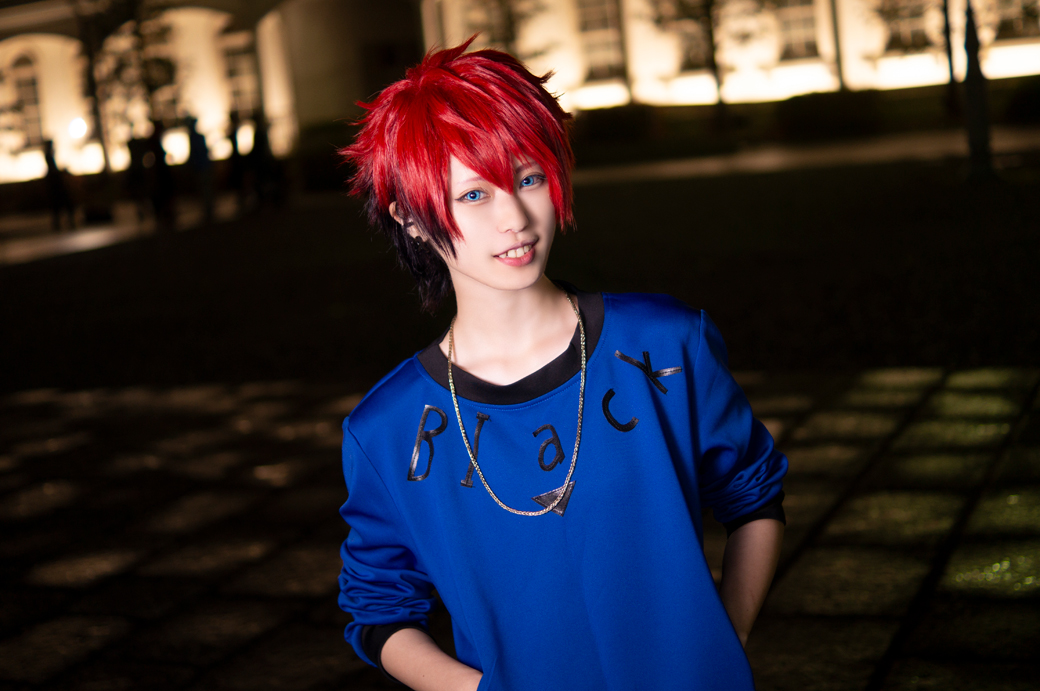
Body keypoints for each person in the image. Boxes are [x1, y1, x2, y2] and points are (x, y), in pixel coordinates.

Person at [337, 39, 787, 691]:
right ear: (410, 216)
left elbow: (753, 494)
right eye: (474, 195)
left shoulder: (666, 343)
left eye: (528, 179)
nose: (515, 218)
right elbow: (379, 611)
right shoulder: (386, 429)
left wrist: (727, 638)